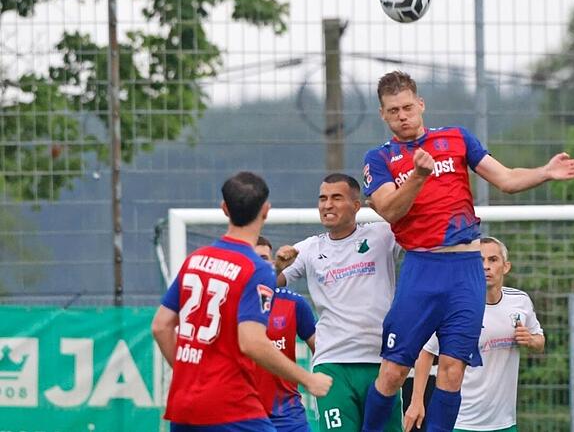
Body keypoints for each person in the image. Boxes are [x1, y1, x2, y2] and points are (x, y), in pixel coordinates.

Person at [361, 71, 574, 432]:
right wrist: (418, 176)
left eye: (407, 107)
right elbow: (389, 209)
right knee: (392, 371)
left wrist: (544, 172)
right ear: (383, 115)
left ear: (421, 105)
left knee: (453, 370)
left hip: (466, 269)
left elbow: (507, 179)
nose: (402, 115)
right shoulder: (380, 158)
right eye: (393, 111)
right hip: (422, 267)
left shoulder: (456, 138)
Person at [150, 171, 332, 431]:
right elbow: (252, 342)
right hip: (231, 405)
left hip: (184, 405)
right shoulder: (255, 268)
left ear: (224, 209)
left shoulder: (196, 260)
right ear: (266, 211)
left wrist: (189, 375)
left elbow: (160, 326)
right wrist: (308, 379)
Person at [276, 173, 404, 431]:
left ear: (356, 206)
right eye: (322, 198)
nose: (327, 205)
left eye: (336, 198)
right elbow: (270, 284)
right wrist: (276, 266)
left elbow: (421, 234)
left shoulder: (382, 235)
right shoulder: (309, 249)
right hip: (332, 364)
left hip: (381, 363)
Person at [404, 237, 544, 432]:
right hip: (460, 421)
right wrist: (417, 401)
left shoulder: (520, 301)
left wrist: (530, 340)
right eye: (479, 260)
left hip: (505, 422)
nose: (486, 266)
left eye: (493, 260)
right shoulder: (455, 307)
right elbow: (426, 352)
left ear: (506, 266)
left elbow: (539, 340)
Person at [253, 236, 318, 432]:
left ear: (272, 262)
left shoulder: (294, 304)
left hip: (287, 414)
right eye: (252, 257)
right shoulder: (228, 303)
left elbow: (323, 350)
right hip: (242, 413)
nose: (258, 263)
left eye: (264, 258)